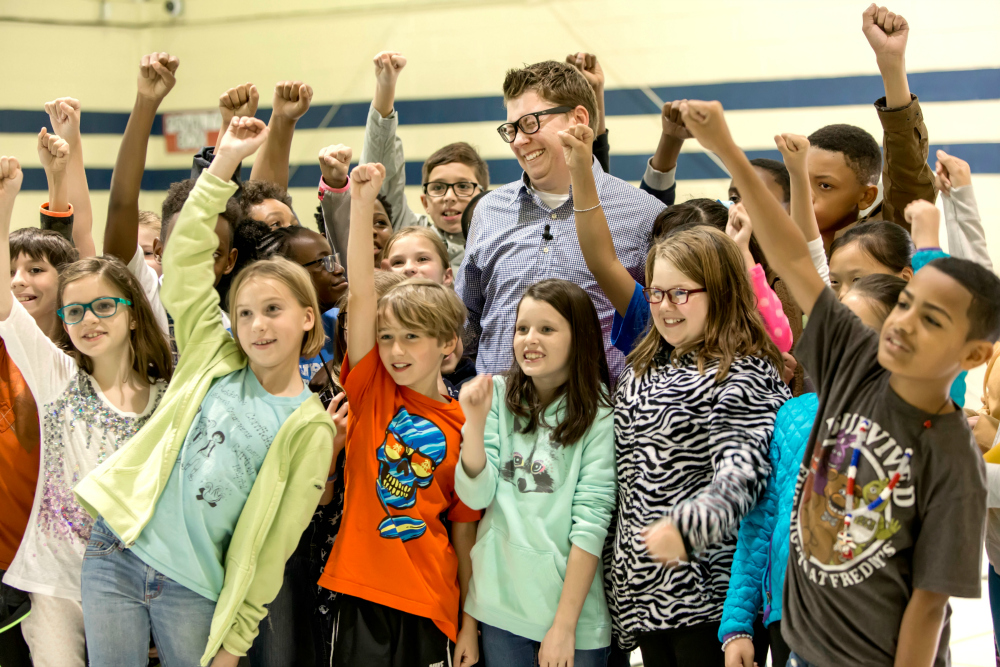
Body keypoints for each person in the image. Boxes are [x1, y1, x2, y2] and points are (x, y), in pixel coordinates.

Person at [679, 92, 998, 667]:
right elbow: (799, 260)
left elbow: (929, 603)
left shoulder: (945, 435)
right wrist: (725, 149)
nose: (899, 326)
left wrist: (930, 237)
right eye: (899, 313)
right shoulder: (834, 387)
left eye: (920, 318)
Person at [74, 116, 338, 667]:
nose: (258, 325)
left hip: (195, 588)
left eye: (273, 311)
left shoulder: (310, 427)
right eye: (244, 312)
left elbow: (273, 548)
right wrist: (222, 166)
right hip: (116, 551)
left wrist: (235, 642)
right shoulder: (212, 352)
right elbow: (184, 262)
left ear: (308, 317)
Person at [0, 152, 171, 667]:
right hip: (51, 582)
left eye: (102, 306)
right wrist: (5, 201)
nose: (88, 320)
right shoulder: (57, 377)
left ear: (133, 314)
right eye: (74, 311)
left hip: (137, 576)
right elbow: (5, 306)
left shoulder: (167, 396)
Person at [318, 162, 481, 667]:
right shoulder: (371, 390)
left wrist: (469, 627)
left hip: (432, 604)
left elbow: (465, 533)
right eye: (386, 338)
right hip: (361, 593)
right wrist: (361, 201)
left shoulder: (464, 425)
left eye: (412, 337)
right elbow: (363, 295)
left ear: (447, 344)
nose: (395, 350)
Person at [610, 223, 789, 666]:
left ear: (722, 292)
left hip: (711, 601)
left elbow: (745, 474)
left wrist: (688, 529)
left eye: (680, 294)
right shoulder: (641, 368)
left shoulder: (742, 373)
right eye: (655, 293)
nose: (665, 308)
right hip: (645, 596)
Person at [720, 272, 906, 667]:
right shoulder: (794, 413)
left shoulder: (908, 419)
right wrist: (736, 624)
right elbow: (760, 523)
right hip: (787, 616)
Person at [458, 59, 665, 379]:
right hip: (495, 420)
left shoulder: (642, 214)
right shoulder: (489, 210)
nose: (517, 140)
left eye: (529, 123)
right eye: (510, 129)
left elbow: (657, 330)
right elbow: (466, 321)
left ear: (578, 118)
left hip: (595, 418)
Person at [455, 278, 616, 666]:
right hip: (498, 609)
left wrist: (564, 627)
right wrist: (473, 426)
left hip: (571, 619)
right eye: (522, 328)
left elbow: (591, 525)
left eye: (547, 329)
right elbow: (476, 498)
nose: (530, 339)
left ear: (579, 339)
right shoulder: (494, 394)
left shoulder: (599, 414)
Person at [560, 123, 792, 362]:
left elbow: (779, 337)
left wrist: (742, 251)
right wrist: (580, 170)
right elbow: (602, 261)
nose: (668, 304)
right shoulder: (651, 312)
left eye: (683, 291)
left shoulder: (742, 328)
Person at [102, 52, 240, 343]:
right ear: (160, 250)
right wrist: (146, 102)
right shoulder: (144, 295)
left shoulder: (232, 330)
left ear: (229, 261)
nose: (195, 262)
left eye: (212, 253)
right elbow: (122, 201)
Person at [359, 52, 490, 273]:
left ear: (482, 196)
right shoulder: (411, 233)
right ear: (425, 202)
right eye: (438, 188)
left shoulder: (498, 241)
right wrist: (385, 87)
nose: (450, 197)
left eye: (463, 186)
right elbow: (381, 175)